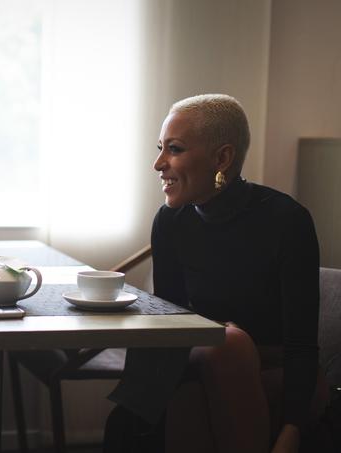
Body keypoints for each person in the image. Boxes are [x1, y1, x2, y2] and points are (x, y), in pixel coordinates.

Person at [105, 94, 328, 453]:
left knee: (222, 354)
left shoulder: (288, 221)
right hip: (205, 357)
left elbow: (301, 346)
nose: (158, 163)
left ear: (222, 158)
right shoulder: (170, 221)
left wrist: (292, 429)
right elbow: (172, 329)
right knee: (221, 347)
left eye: (174, 149)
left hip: (281, 375)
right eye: (161, 148)